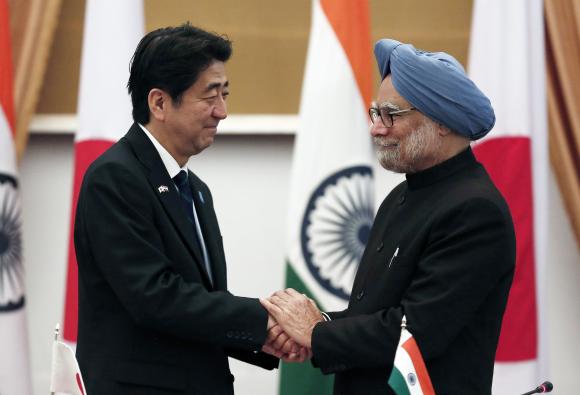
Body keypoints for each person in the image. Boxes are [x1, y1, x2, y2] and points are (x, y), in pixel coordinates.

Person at [262, 38, 516, 394]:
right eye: (375, 113)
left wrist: (317, 333)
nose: (376, 128)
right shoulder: (402, 195)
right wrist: (308, 325)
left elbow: (417, 333)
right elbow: (374, 312)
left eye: (390, 115)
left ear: (441, 120)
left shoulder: (474, 211)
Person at [74, 24, 303, 395]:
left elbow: (199, 305)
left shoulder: (195, 190)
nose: (222, 112)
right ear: (159, 103)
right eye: (210, 96)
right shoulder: (114, 178)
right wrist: (267, 321)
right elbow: (156, 298)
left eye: (225, 95)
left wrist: (263, 337)